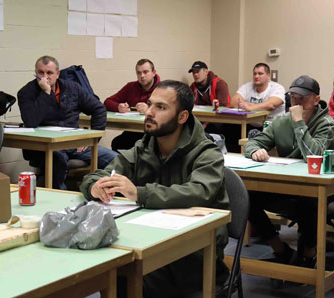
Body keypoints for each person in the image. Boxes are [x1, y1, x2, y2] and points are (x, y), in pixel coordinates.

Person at [80, 80, 229, 297]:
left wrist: (139, 193)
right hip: (149, 240)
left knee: (127, 275)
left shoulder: (206, 153)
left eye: (161, 107)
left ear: (182, 117)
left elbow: (199, 191)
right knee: (112, 268)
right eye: (150, 104)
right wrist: (95, 185)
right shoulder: (145, 147)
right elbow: (104, 173)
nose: (149, 112)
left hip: (194, 254)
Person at [244, 75, 334, 266]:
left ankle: (309, 254)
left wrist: (299, 123)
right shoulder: (280, 122)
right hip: (287, 186)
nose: (297, 102)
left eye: (303, 97)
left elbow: (314, 154)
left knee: (312, 202)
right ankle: (279, 248)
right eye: (293, 97)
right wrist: (255, 151)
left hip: (314, 188)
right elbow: (253, 142)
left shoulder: (326, 123)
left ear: (316, 100)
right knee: (246, 196)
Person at [17, 55, 117, 190]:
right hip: (46, 146)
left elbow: (98, 109)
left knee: (115, 159)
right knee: (58, 161)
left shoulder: (72, 88)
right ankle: (59, 198)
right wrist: (46, 93)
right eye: (41, 73)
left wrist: (92, 138)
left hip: (74, 144)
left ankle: (106, 191)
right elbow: (31, 121)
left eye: (49, 73)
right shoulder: (26, 93)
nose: (45, 77)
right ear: (36, 73)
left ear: (57, 74)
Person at [104, 59, 161, 152]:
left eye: (145, 72)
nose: (142, 76)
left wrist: (149, 109)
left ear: (154, 73)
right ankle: (124, 166)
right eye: (139, 73)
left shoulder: (163, 88)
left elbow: (169, 111)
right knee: (117, 143)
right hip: (134, 129)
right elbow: (108, 102)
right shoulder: (131, 87)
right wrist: (118, 107)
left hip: (154, 132)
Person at [228, 63, 285, 152]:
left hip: (271, 127)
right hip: (250, 125)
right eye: (254, 73)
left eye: (260, 73)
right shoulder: (247, 86)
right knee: (228, 128)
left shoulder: (277, 88)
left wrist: (250, 107)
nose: (256, 76)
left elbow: (271, 104)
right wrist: (255, 106)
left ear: (268, 76)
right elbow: (233, 102)